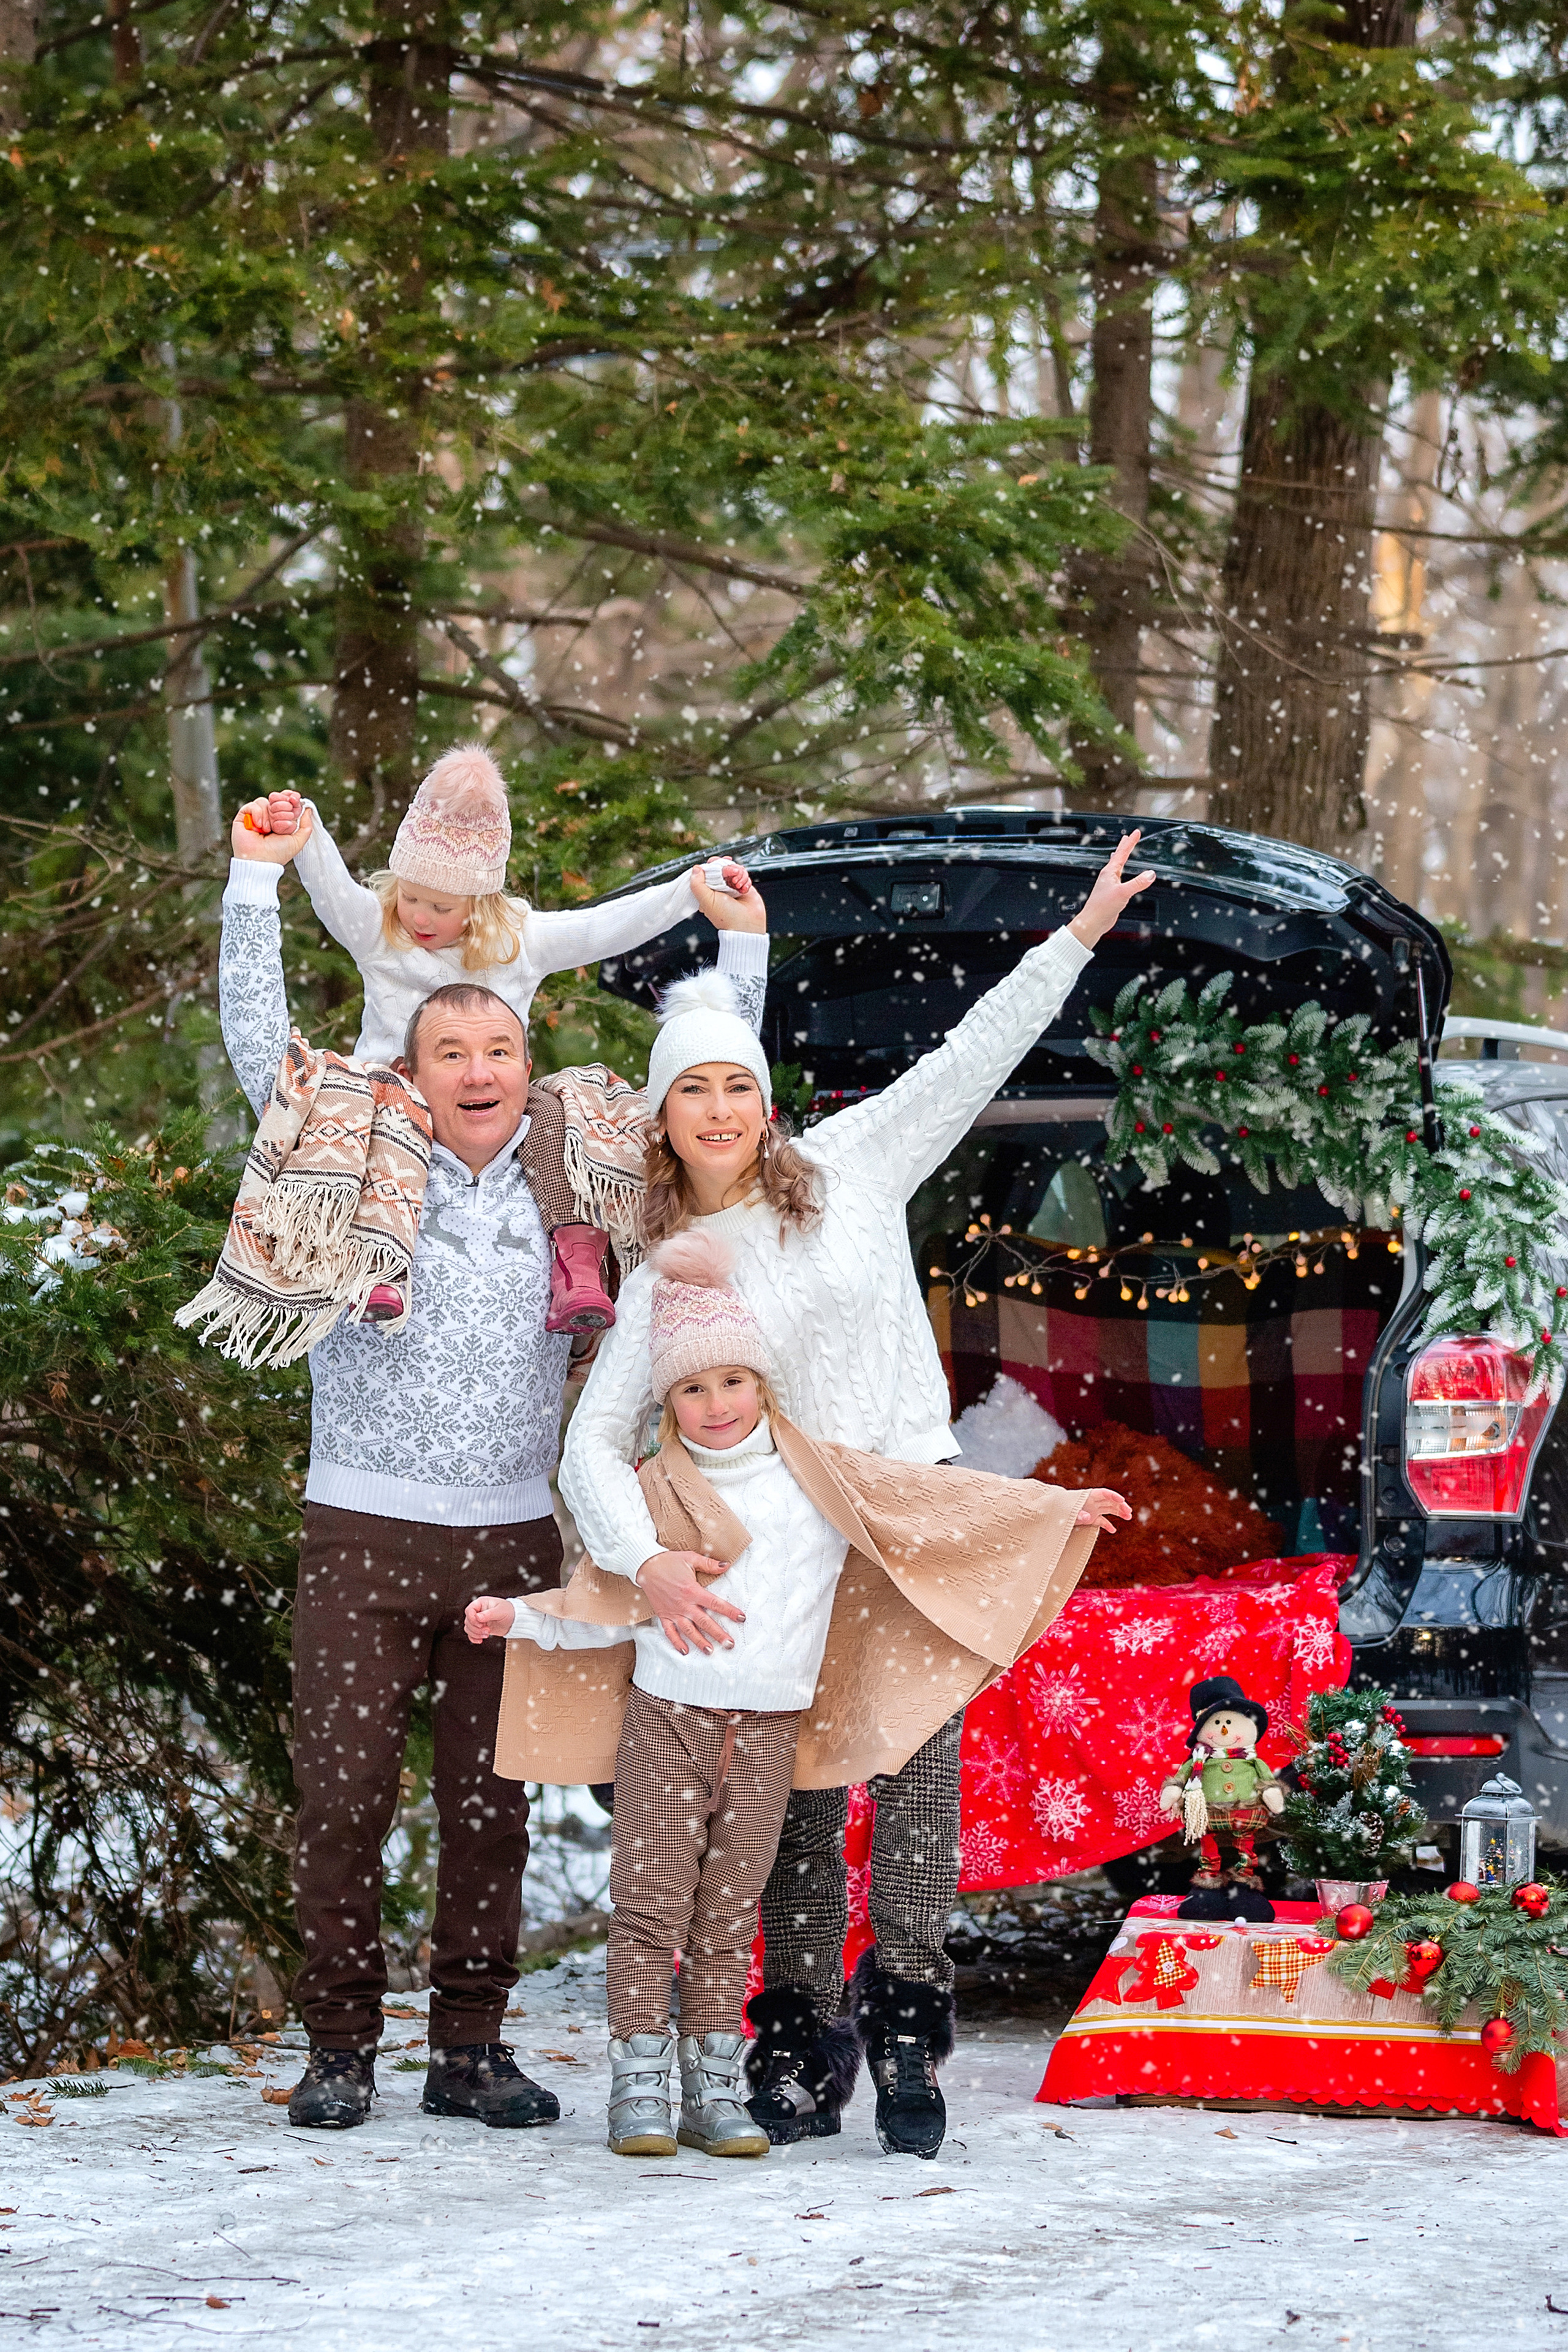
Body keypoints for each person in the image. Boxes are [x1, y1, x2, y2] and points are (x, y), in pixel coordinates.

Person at [560, 830, 1153, 2155]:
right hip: (783, 1535)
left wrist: (1073, 938)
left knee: (918, 1777)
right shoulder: (672, 1268)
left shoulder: (855, 1166)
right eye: (690, 1093)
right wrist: (638, 1558)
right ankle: (797, 2027)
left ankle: (905, 2019)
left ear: (764, 1102)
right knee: (805, 1793)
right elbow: (591, 1444)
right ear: (660, 1122)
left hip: (909, 1504)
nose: (717, 1110)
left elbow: (969, 1059)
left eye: (735, 1086)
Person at [219, 794, 768, 2132]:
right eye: (449, 1046)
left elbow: (705, 1104)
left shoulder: (578, 1178)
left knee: (492, 1815)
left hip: (514, 1542)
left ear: (527, 1065)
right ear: (413, 1066)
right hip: (360, 1534)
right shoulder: (340, 1153)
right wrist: (253, 884)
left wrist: (738, 958)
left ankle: (468, 2051)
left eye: (499, 1047)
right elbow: (254, 1042)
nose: (477, 1067)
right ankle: (341, 2046)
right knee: (342, 1808)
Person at [469, 1232, 1126, 2161]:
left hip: (771, 1730)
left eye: (733, 1383)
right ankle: (638, 2081)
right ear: (667, 1403)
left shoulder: (817, 1475)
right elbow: (606, 1602)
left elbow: (927, 1505)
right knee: (654, 1901)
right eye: (692, 1389)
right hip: (670, 1722)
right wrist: (525, 1619)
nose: (716, 1405)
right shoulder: (662, 1489)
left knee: (735, 1910)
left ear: (765, 1385)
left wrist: (1054, 1511)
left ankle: (710, 2082)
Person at [258, 744, 714, 1333]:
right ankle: (380, 1266)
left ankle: (575, 1262)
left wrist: (686, 894)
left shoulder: (516, 943)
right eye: (412, 895)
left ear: (480, 905)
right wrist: (307, 830)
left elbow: (604, 928)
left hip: (490, 1102)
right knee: (385, 1115)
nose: (419, 916)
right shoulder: (379, 932)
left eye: (440, 906)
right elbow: (334, 894)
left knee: (554, 1114)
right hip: (394, 1090)